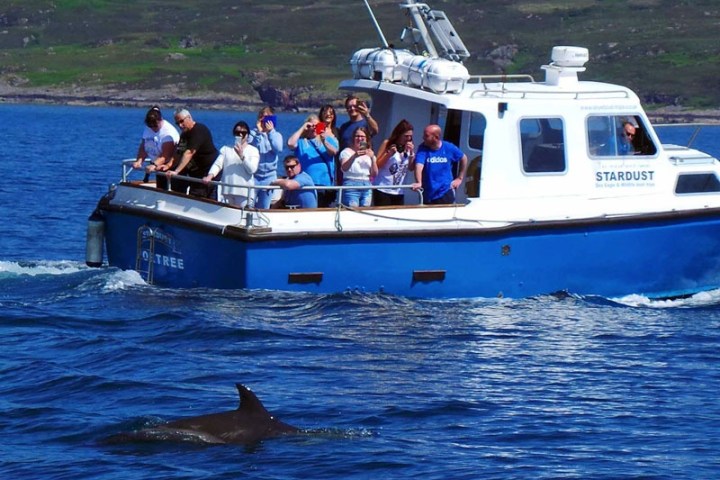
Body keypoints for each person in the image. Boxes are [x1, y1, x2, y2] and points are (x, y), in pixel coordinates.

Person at [203, 121, 259, 208]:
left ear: (247, 135)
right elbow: (218, 164)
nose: (240, 135)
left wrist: (241, 156)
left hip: (244, 193)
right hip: (228, 191)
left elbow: (252, 169)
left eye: (243, 133)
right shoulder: (226, 149)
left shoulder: (253, 150)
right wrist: (210, 176)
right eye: (237, 133)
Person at [287, 114, 339, 207]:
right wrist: (303, 127)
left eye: (317, 125)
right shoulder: (302, 142)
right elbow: (290, 143)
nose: (314, 128)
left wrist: (324, 140)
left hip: (325, 184)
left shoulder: (328, 139)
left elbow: (334, 152)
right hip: (307, 184)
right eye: (312, 126)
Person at [167, 108, 220, 199]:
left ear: (189, 117)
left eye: (182, 121)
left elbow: (189, 153)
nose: (180, 125)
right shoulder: (184, 135)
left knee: (201, 197)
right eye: (177, 123)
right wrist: (168, 165)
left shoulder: (199, 130)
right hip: (195, 173)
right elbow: (179, 152)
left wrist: (177, 171)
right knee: (178, 183)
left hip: (207, 173)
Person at [412, 124, 468, 205]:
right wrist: (419, 182)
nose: (423, 138)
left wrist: (460, 178)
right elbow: (419, 166)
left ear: (436, 137)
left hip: (444, 192)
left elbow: (463, 158)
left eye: (426, 136)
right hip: (428, 193)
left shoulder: (448, 147)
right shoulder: (423, 148)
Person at [132, 106, 179, 190]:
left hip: (169, 166)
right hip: (157, 165)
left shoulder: (168, 134)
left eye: (155, 126)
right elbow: (144, 146)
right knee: (160, 188)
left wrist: (153, 165)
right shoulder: (149, 128)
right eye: (150, 126)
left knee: (168, 189)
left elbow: (166, 155)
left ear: (160, 120)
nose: (153, 128)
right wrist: (139, 161)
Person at [373, 119, 415, 206]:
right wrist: (389, 154)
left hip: (398, 191)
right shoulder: (387, 143)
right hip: (383, 189)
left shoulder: (408, 148)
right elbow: (377, 165)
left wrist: (411, 153)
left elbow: (411, 168)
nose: (408, 139)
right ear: (399, 134)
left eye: (410, 136)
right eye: (406, 136)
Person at [248, 106, 284, 209]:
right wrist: (259, 133)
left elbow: (278, 148)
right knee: (249, 205)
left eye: (268, 117)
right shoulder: (252, 134)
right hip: (254, 176)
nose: (264, 120)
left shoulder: (276, 135)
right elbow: (250, 148)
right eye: (262, 116)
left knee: (264, 207)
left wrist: (270, 133)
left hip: (269, 177)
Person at [339, 126, 378, 207]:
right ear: (353, 138)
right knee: (352, 212)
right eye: (357, 136)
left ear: (366, 139)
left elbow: (374, 174)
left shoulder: (370, 154)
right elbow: (344, 168)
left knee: (365, 211)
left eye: (362, 137)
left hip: (366, 185)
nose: (360, 139)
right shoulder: (346, 152)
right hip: (351, 185)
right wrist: (354, 156)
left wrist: (372, 158)